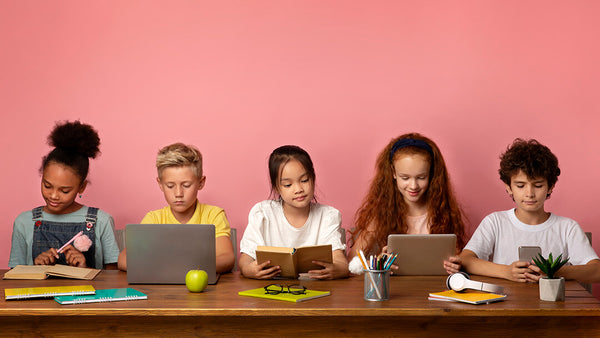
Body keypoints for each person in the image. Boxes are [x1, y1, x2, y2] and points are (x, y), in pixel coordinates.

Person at [459, 138, 600, 283]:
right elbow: (465, 260)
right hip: (504, 303)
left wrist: (553, 271)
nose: (529, 193)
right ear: (509, 187)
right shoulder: (495, 222)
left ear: (550, 186)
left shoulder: (567, 228)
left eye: (538, 185)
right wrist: (506, 272)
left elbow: (596, 271)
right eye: (520, 186)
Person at [349, 133, 466, 274]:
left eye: (421, 177)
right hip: (395, 291)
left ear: (431, 174)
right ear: (393, 173)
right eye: (405, 178)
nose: (413, 186)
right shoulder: (380, 215)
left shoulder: (444, 212)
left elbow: (456, 257)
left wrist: (456, 265)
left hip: (435, 288)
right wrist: (378, 264)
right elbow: (352, 261)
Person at [8, 121, 119, 269]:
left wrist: (84, 268)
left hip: (88, 292)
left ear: (81, 187)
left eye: (64, 191)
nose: (53, 195)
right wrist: (35, 269)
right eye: (47, 186)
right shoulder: (24, 222)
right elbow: (15, 279)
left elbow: (114, 280)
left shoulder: (101, 221)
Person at [117, 143, 234, 273]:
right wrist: (164, 268)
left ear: (201, 183)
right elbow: (123, 259)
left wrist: (185, 268)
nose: (178, 193)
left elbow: (227, 258)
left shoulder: (214, 214)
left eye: (186, 185)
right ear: (160, 184)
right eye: (170, 186)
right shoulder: (154, 219)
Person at [239, 145, 349, 280]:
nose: (298, 189)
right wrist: (249, 270)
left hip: (317, 290)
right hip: (271, 290)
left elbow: (341, 263)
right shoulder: (262, 213)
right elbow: (245, 260)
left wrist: (338, 270)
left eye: (304, 180)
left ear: (313, 178)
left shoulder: (327, 216)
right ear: (276, 187)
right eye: (288, 185)